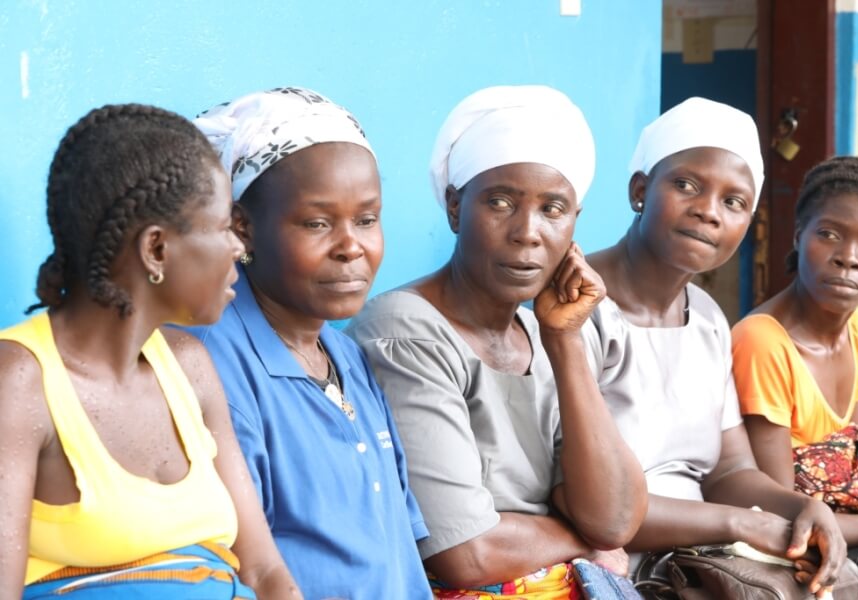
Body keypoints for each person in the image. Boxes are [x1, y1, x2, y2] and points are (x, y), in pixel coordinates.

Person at [347, 85, 648, 599]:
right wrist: (580, 539)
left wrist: (565, 342)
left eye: (553, 209)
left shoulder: (545, 335)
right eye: (501, 202)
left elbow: (614, 519)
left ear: (574, 224)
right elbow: (465, 553)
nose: (527, 232)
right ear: (455, 207)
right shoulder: (406, 330)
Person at [0, 104, 301, 599]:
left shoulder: (189, 365)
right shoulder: (20, 380)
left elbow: (264, 571)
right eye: (222, 227)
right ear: (156, 249)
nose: (237, 248)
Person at [580, 97, 847, 598]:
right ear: (640, 189)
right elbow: (586, 505)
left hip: (695, 556)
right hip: (610, 564)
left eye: (734, 202)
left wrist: (803, 508)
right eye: (686, 185)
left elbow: (729, 470)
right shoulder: (577, 308)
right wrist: (739, 524)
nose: (708, 211)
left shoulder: (706, 317)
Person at [189, 87, 432, 600]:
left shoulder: (346, 357)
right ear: (243, 229)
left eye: (367, 220)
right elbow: (240, 570)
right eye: (318, 223)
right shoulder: (212, 365)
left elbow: (400, 556)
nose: (351, 247)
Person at [731, 156, 858, 588]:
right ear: (798, 235)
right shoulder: (763, 341)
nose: (848, 259)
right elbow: (782, 511)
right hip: (788, 548)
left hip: (849, 532)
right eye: (829, 234)